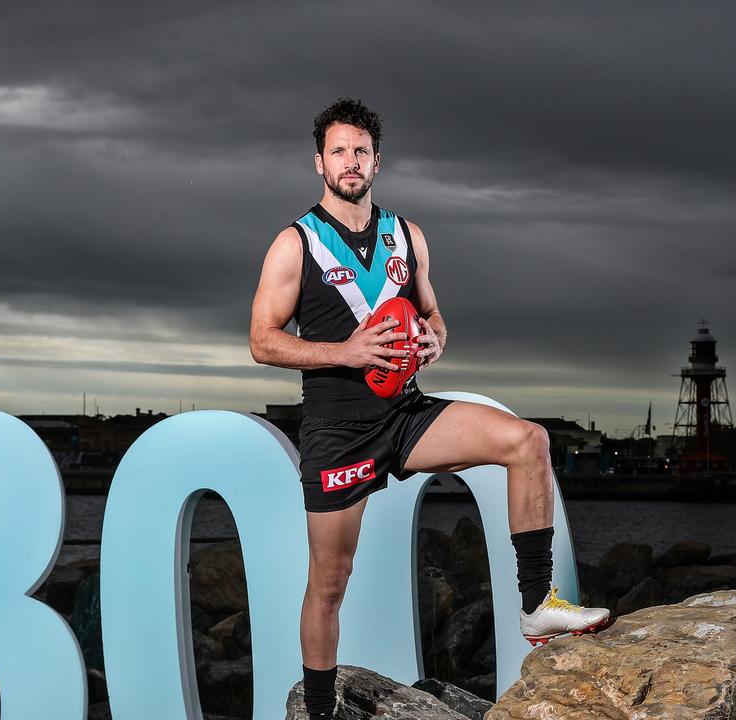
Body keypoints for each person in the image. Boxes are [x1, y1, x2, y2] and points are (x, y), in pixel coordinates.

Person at [249, 98, 610, 719]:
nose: (351, 161)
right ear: (319, 162)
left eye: (361, 151)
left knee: (529, 442)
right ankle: (317, 709)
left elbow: (433, 313)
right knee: (329, 584)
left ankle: (537, 605)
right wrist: (347, 350)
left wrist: (435, 337)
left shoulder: (405, 235)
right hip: (338, 430)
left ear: (377, 162)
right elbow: (262, 340)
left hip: (408, 415)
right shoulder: (295, 243)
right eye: (339, 151)